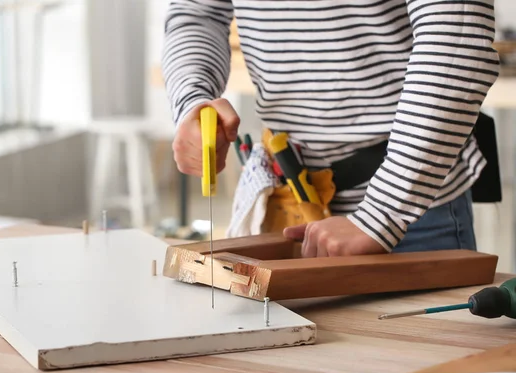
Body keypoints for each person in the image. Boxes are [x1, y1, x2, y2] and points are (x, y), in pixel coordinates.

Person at [161, 0, 500, 258]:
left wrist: (380, 216)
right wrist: (192, 97)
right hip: (287, 201)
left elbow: (457, 40)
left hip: (411, 214)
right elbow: (197, 14)